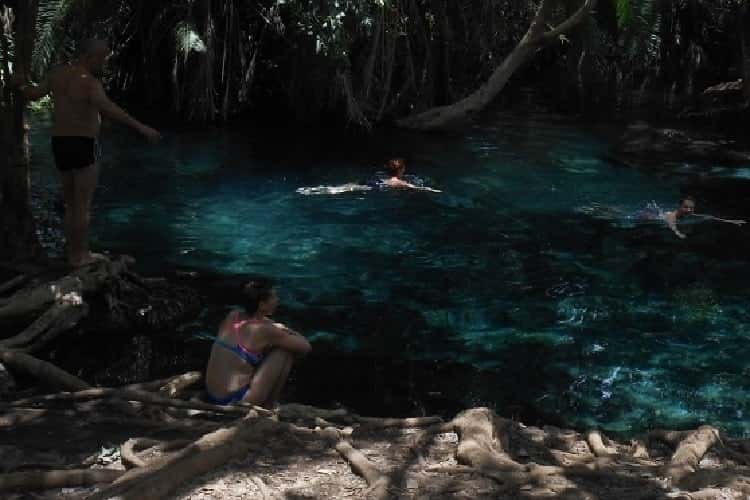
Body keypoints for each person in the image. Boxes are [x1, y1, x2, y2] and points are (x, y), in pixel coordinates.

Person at [12, 39, 161, 267]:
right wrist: (142, 128)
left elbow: (33, 95)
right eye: (101, 58)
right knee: (82, 205)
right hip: (83, 145)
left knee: (71, 204)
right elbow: (110, 108)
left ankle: (72, 252)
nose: (104, 63)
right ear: (88, 57)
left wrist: (20, 85)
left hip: (60, 143)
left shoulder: (57, 75)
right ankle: (80, 256)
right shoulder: (90, 83)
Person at [204, 279, 311, 407]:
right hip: (235, 401)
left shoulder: (233, 315)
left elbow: (261, 324)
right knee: (285, 351)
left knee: (274, 346)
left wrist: (274, 327)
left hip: (212, 396)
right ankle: (270, 405)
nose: (278, 300)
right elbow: (306, 347)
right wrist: (287, 330)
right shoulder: (264, 331)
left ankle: (268, 403)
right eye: (274, 297)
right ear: (261, 305)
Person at [660, 195, 746, 239]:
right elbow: (672, 226)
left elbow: (709, 217)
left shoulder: (688, 214)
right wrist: (679, 234)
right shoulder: (672, 216)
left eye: (691, 208)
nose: (689, 210)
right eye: (686, 207)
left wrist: (731, 221)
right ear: (679, 206)